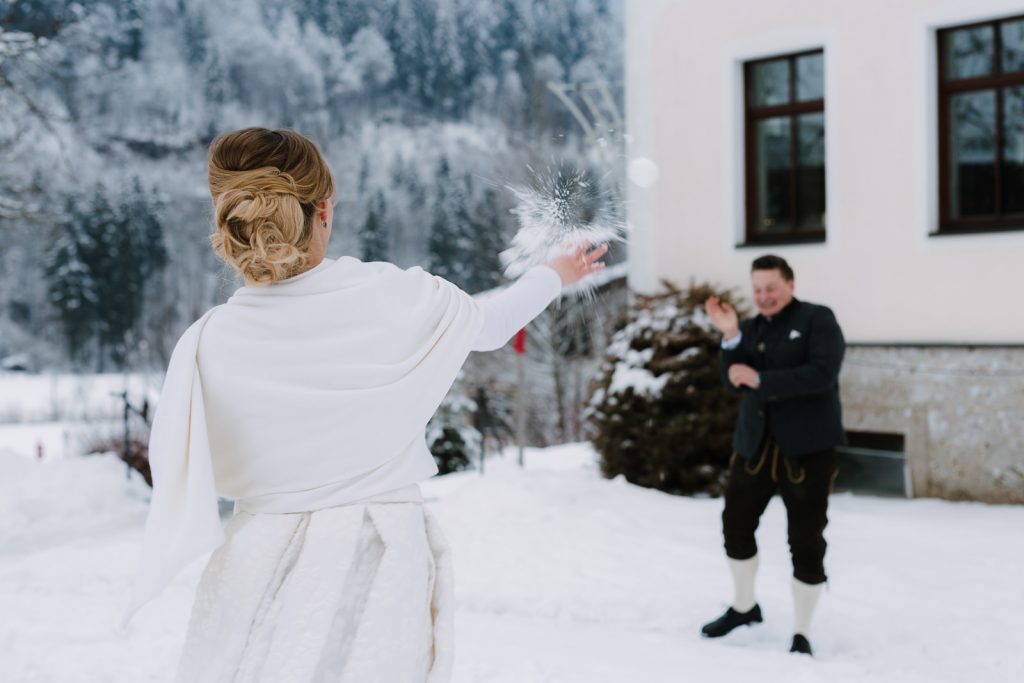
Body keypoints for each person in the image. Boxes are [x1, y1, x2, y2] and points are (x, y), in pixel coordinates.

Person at [124, 127, 607, 682]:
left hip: (253, 567)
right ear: (323, 209)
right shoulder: (396, 296)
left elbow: (183, 468)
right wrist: (555, 273)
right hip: (375, 560)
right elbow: (492, 324)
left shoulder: (207, 342)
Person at [702, 254, 845, 657]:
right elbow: (734, 382)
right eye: (757, 289)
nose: (763, 296)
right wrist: (730, 336)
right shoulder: (748, 328)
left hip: (808, 450)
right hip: (755, 446)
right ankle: (745, 607)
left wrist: (762, 379)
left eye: (771, 288)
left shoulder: (819, 319)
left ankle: (802, 631)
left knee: (805, 539)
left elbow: (823, 374)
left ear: (790, 285)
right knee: (735, 524)